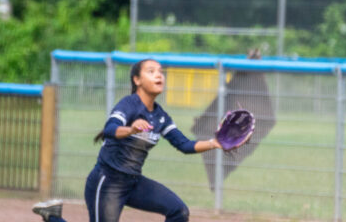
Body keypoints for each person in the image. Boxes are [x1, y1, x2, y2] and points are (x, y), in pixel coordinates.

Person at [32, 59, 221, 222]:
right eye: (151, 71)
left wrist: (215, 143)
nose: (159, 75)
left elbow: (184, 144)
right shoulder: (129, 105)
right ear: (137, 80)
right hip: (107, 181)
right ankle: (53, 216)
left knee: (179, 211)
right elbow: (110, 129)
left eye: (161, 72)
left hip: (133, 182)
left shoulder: (160, 116)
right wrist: (131, 129)